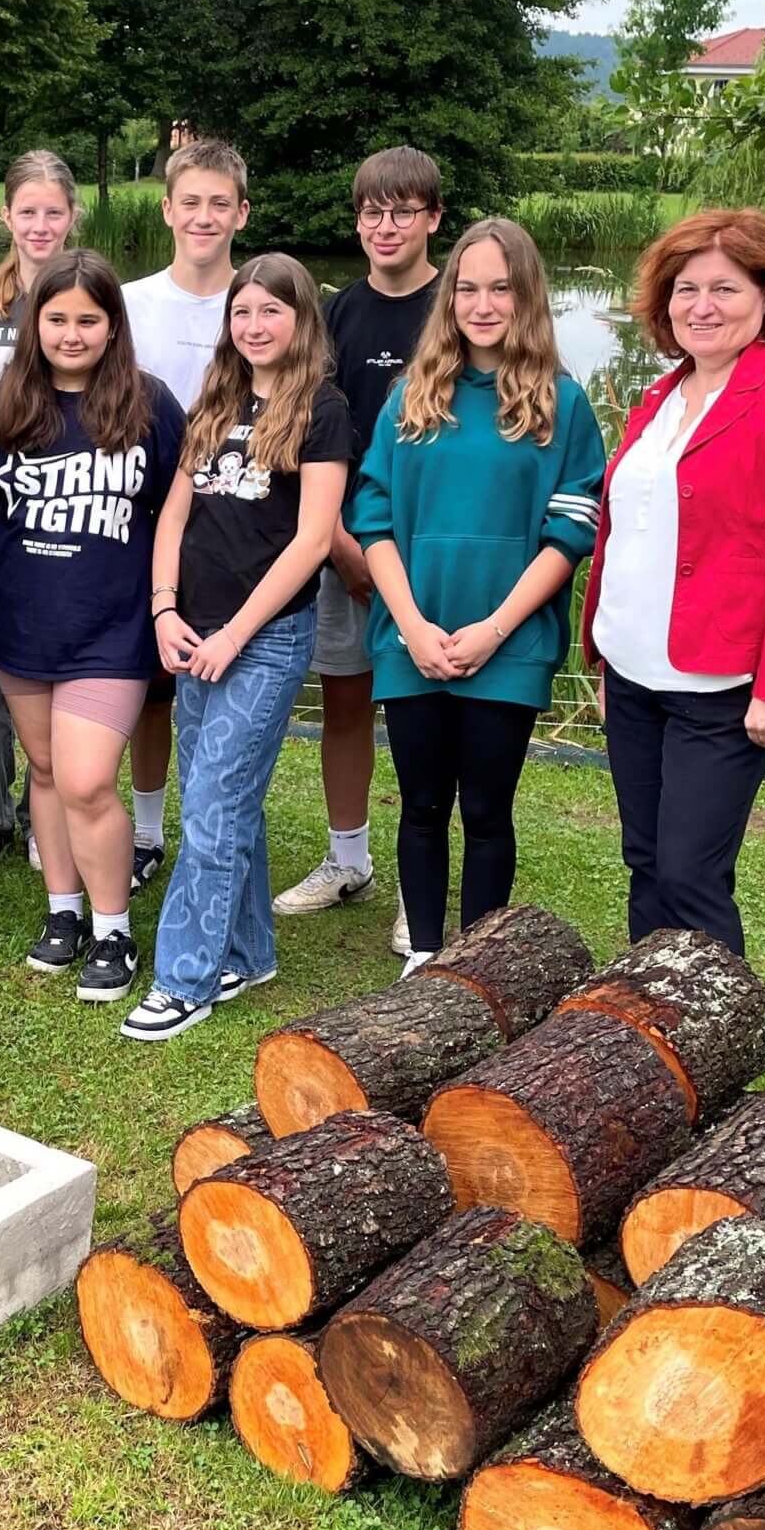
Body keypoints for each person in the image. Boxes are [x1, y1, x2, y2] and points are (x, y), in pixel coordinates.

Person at [582, 208, 765, 956]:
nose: (702, 306)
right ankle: (643, 1023)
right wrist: (604, 660)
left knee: (691, 872)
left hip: (724, 681)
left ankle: (709, 1040)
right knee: (645, 862)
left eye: (726, 289)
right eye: (686, 289)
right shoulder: (659, 398)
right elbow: (627, 534)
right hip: (635, 673)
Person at [351, 220, 604, 971]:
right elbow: (373, 518)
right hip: (412, 639)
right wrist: (413, 626)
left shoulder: (561, 404)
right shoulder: (410, 398)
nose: (483, 304)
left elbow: (569, 534)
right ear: (448, 296)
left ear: (526, 296)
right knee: (423, 807)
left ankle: (481, 970)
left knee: (488, 813)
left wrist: (494, 631)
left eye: (501, 288)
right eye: (468, 287)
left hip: (508, 644)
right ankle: (425, 957)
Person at [122, 255, 352, 1042]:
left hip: (263, 638)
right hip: (193, 634)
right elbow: (174, 519)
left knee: (213, 812)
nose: (254, 326)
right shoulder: (213, 403)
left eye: (271, 312)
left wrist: (237, 632)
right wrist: (163, 610)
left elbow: (313, 539)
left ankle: (184, 978)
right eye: (242, 312)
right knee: (226, 803)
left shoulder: (322, 409)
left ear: (301, 320)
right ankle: (249, 953)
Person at [0, 252, 185, 1003]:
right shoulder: (4, 406)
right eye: (56, 319)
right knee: (50, 774)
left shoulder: (149, 407)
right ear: (34, 324)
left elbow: (172, 512)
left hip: (112, 629)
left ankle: (114, 926)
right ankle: (63, 914)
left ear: (112, 324)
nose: (71, 333)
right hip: (26, 622)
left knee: (90, 780)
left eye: (88, 319)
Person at [275, 145, 443, 948]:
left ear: (432, 219)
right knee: (345, 703)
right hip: (342, 545)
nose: (385, 226)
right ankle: (348, 859)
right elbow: (315, 430)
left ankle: (423, 880)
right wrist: (341, 544)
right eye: (372, 212)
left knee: (422, 717)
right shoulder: (336, 314)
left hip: (429, 552)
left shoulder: (459, 305)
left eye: (402, 211)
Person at [120, 139, 252, 894]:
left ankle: (212, 827)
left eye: (219, 204)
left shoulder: (261, 301)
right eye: (190, 202)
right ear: (168, 209)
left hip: (235, 524)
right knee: (144, 682)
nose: (204, 217)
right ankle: (142, 831)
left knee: (214, 682)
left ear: (241, 212)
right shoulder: (133, 303)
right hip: (140, 515)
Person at [0, 148, 80, 868]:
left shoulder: (90, 294)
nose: (39, 224)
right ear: (6, 215)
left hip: (66, 516)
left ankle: (43, 812)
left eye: (52, 212)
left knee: (53, 671)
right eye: (26, 211)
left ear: (71, 217)